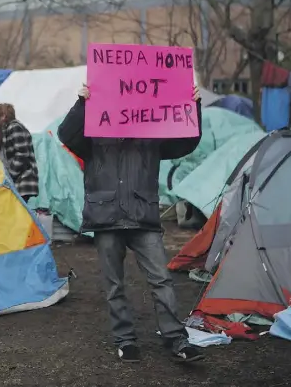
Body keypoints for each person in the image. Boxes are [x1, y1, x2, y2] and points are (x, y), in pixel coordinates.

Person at [57, 84, 204, 364]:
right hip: (106, 216)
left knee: (161, 279)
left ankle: (176, 339)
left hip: (142, 216)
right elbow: (66, 134)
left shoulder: (152, 130)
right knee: (114, 284)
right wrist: (82, 102)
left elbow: (185, 141)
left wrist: (193, 106)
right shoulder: (93, 128)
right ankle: (125, 340)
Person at [0, 103, 39, 203]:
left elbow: (22, 154)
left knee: (17, 211)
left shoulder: (14, 128)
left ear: (3, 116)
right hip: (11, 181)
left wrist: (10, 174)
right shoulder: (1, 133)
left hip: (22, 180)